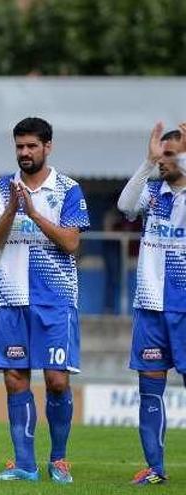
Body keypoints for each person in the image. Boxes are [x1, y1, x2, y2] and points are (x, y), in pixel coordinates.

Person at [0, 117, 90, 483]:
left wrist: (35, 213)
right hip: (11, 297)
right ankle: (24, 465)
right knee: (14, 379)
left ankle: (58, 460)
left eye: (31, 146)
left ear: (47, 147)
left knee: (57, 380)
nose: (24, 153)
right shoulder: (0, 189)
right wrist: (13, 208)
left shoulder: (68, 189)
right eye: (19, 146)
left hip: (55, 299)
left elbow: (72, 243)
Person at [117, 122, 186, 485]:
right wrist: (148, 162)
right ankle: (155, 468)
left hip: (185, 306)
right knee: (149, 389)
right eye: (162, 152)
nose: (163, 160)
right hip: (151, 304)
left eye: (170, 154)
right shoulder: (154, 191)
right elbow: (125, 205)